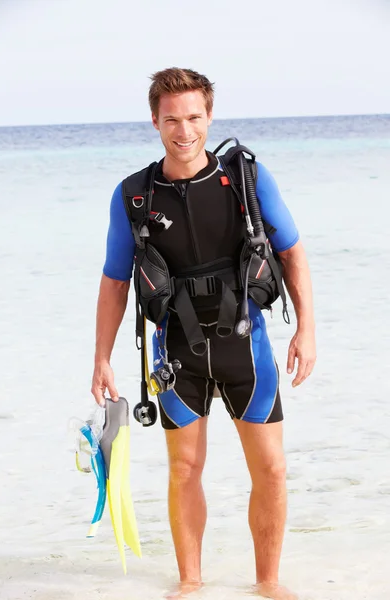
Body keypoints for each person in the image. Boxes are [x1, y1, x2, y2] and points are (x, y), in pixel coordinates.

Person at [91, 67, 316, 600]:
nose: (184, 130)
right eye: (172, 119)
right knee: (184, 468)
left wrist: (306, 330)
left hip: (248, 346)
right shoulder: (134, 196)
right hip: (175, 352)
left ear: (210, 116)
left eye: (194, 117)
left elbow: (292, 253)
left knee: (272, 469)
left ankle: (267, 582)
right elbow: (114, 282)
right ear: (155, 121)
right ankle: (190, 582)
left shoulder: (247, 180)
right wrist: (101, 357)